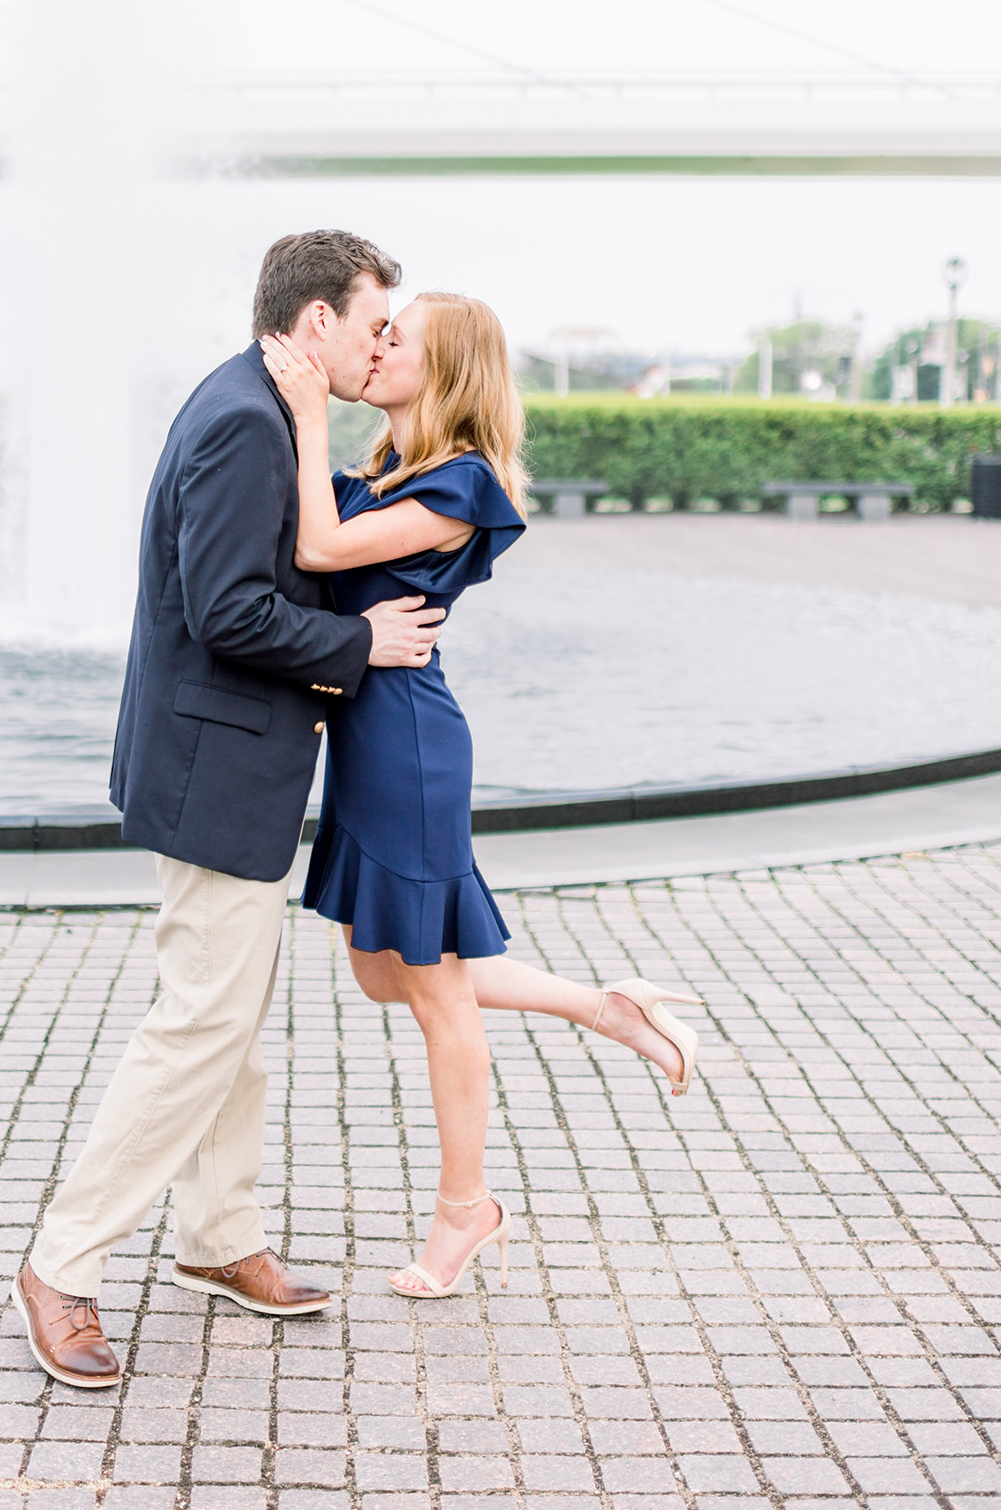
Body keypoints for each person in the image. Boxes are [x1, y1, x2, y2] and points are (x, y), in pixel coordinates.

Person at [12, 230, 447, 1387]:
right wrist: (363, 642)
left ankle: (216, 1241)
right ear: (316, 323)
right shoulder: (246, 424)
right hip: (215, 773)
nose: (379, 343)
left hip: (225, 765)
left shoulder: (255, 405)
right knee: (202, 1024)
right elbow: (226, 612)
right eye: (370, 323)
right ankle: (62, 1262)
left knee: (228, 1022)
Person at [260, 292, 704, 1301]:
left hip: (408, 744)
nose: (375, 347)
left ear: (446, 368)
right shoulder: (383, 471)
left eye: (394, 338)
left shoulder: (461, 482)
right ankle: (608, 1005)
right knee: (387, 975)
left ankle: (465, 1213)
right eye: (376, 332)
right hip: (369, 738)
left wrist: (306, 412)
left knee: (435, 992)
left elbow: (320, 551)